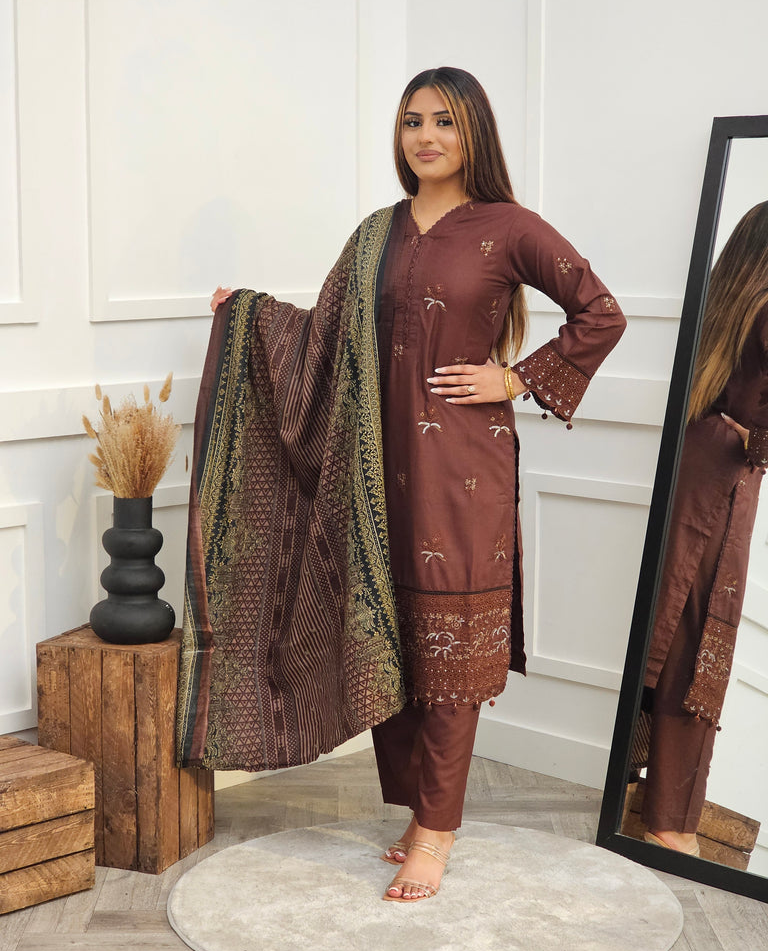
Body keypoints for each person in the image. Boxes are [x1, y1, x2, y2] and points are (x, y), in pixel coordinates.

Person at [177, 67, 625, 902]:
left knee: (450, 643)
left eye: (444, 122)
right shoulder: (375, 233)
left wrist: (514, 378)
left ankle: (438, 831)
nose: (426, 137)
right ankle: (419, 811)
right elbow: (325, 339)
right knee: (389, 633)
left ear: (473, 133)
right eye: (413, 121)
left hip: (464, 468)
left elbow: (601, 312)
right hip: (372, 468)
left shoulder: (510, 227)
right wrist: (248, 313)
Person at [641, 200, 768, 856]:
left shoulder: (724, 302)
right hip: (720, 489)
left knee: (664, 629)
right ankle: (669, 824)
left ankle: (637, 784)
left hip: (687, 470)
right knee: (693, 649)